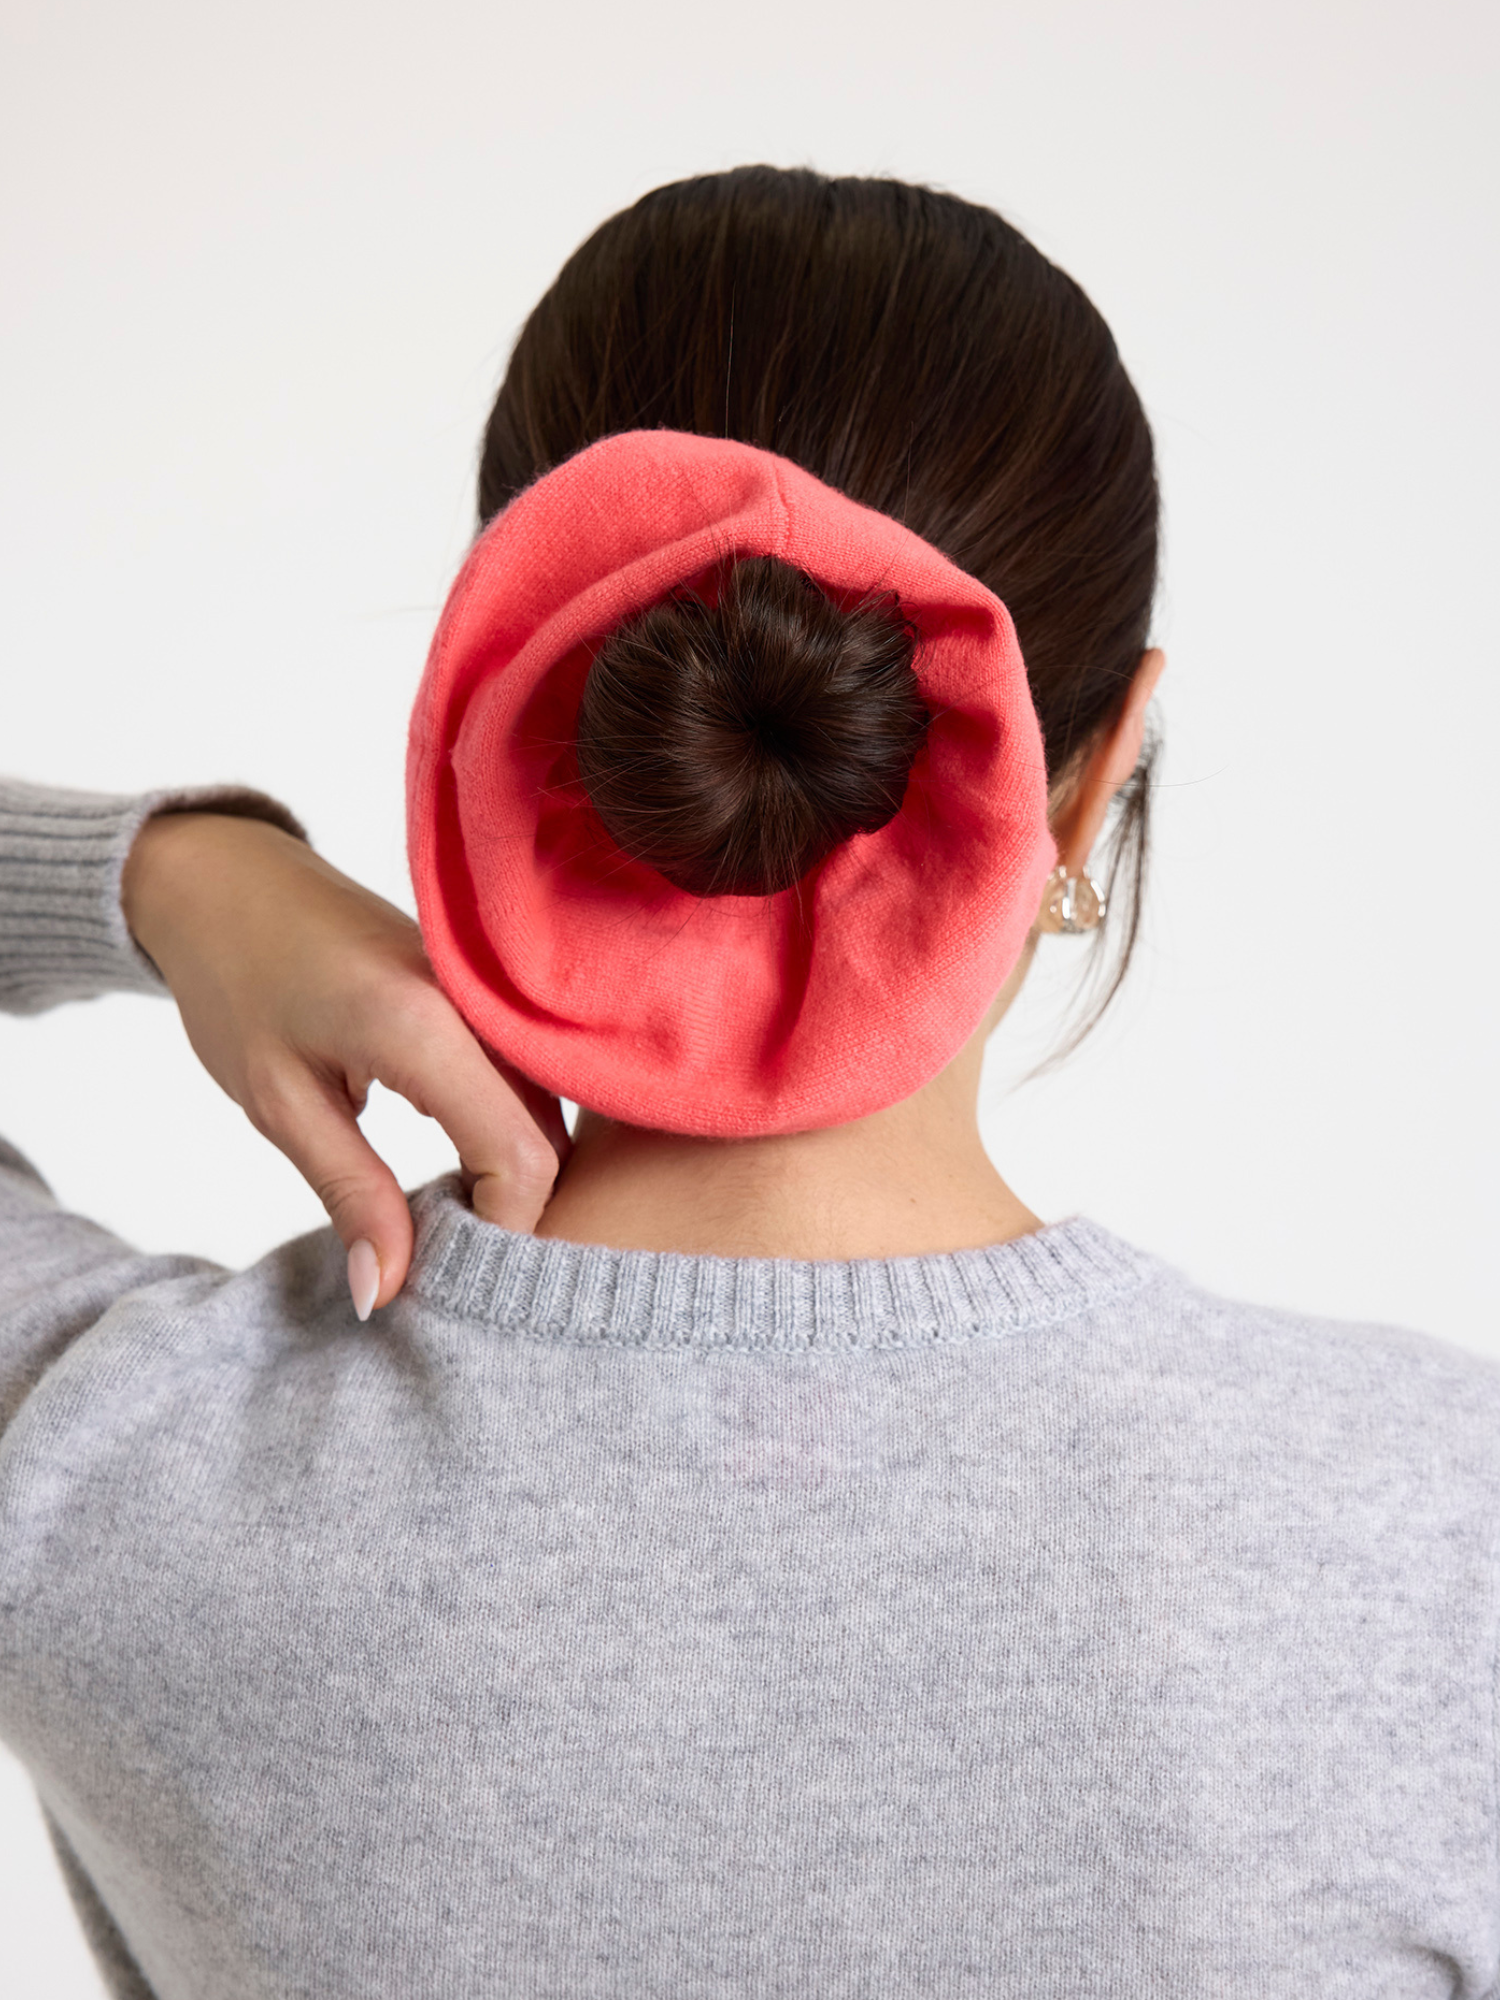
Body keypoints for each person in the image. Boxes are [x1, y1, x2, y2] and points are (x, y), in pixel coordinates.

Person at [2, 166, 1497, 2000]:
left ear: (502, 698)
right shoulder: (1441, 1542)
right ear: (1099, 769)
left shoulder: (113, 1468)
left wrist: (179, 878)